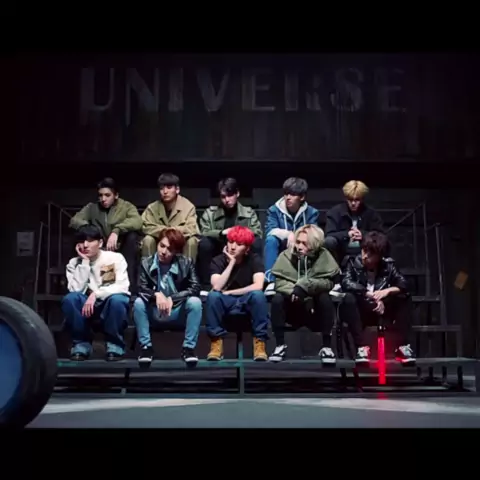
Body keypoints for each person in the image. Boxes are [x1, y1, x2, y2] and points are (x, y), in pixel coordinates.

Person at [339, 231, 416, 365]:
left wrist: (387, 292)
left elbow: (404, 284)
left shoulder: (389, 266)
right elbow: (346, 282)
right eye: (364, 251)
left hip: (383, 309)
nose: (365, 256)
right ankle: (361, 348)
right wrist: (367, 293)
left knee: (404, 298)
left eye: (370, 254)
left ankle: (403, 347)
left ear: (379, 256)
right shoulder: (352, 262)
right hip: (361, 309)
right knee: (349, 298)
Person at [269, 224, 340, 364]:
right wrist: (294, 291)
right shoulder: (286, 256)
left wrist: (304, 287)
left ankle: (326, 347)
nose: (299, 247)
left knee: (324, 297)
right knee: (277, 298)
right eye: (298, 242)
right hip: (294, 308)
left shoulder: (324, 256)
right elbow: (279, 282)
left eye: (304, 243)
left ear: (314, 245)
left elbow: (328, 283)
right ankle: (280, 345)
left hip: (315, 311)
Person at [133, 228, 202, 365]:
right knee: (139, 303)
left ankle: (188, 348)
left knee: (195, 302)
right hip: (155, 311)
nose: (163, 251)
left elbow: (195, 288)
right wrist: (156, 295)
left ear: (176, 251)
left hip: (176, 311)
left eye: (169, 249)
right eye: (162, 246)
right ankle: (146, 348)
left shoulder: (186, 262)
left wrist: (173, 298)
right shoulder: (145, 263)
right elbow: (140, 288)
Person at [61, 225, 130, 361]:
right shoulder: (74, 263)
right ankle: (81, 345)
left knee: (118, 300)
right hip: (84, 308)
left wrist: (95, 294)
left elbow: (120, 287)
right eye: (81, 241)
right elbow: (75, 290)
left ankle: (114, 345)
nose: (85, 245)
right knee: (70, 299)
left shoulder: (112, 258)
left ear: (100, 243)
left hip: (106, 304)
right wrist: (85, 263)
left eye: (90, 240)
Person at [205, 226, 269, 362]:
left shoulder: (254, 259)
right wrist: (231, 263)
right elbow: (217, 286)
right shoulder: (218, 260)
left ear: (247, 249)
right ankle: (216, 344)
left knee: (258, 296)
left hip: (246, 300)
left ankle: (259, 343)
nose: (233, 247)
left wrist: (230, 292)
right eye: (230, 242)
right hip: (225, 302)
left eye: (239, 244)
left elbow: (258, 285)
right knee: (213, 296)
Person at [69, 177, 142, 296]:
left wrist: (117, 231)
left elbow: (137, 221)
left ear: (116, 195)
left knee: (132, 237)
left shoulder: (126, 206)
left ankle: (130, 290)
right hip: (100, 249)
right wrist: (93, 231)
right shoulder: (92, 207)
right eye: (100, 195)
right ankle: (92, 292)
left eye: (107, 195)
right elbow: (75, 220)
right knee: (82, 238)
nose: (103, 199)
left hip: (120, 247)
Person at [198, 177, 263, 290]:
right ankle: (206, 286)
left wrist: (240, 234)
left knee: (256, 242)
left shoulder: (248, 213)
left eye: (230, 195)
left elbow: (257, 232)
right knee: (204, 244)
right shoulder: (210, 213)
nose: (227, 200)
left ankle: (255, 279)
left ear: (237, 193)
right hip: (219, 246)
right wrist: (222, 233)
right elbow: (203, 231)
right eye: (223, 197)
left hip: (241, 249)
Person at [264, 177, 319, 295]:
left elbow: (314, 233)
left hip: (304, 246)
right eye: (286, 194)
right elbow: (269, 230)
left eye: (293, 194)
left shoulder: (312, 212)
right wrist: (288, 234)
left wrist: (298, 238)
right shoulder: (274, 210)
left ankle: (314, 278)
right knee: (271, 240)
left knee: (318, 242)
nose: (288, 197)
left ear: (302, 197)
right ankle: (271, 281)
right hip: (283, 246)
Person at [141, 173, 200, 260]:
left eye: (169, 188)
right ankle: (148, 268)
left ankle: (187, 268)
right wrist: (166, 232)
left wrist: (171, 234)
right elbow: (146, 227)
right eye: (162, 188)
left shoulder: (188, 206)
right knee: (148, 240)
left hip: (179, 242)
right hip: (159, 241)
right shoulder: (152, 208)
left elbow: (191, 228)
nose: (165, 192)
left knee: (192, 241)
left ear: (177, 190)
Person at [324, 180, 384, 265]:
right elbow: (329, 235)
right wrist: (347, 234)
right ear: (346, 198)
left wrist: (363, 235)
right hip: (341, 251)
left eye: (357, 200)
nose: (353, 203)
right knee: (329, 241)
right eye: (350, 199)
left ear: (362, 199)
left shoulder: (371, 214)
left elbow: (380, 236)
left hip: (364, 251)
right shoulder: (334, 212)